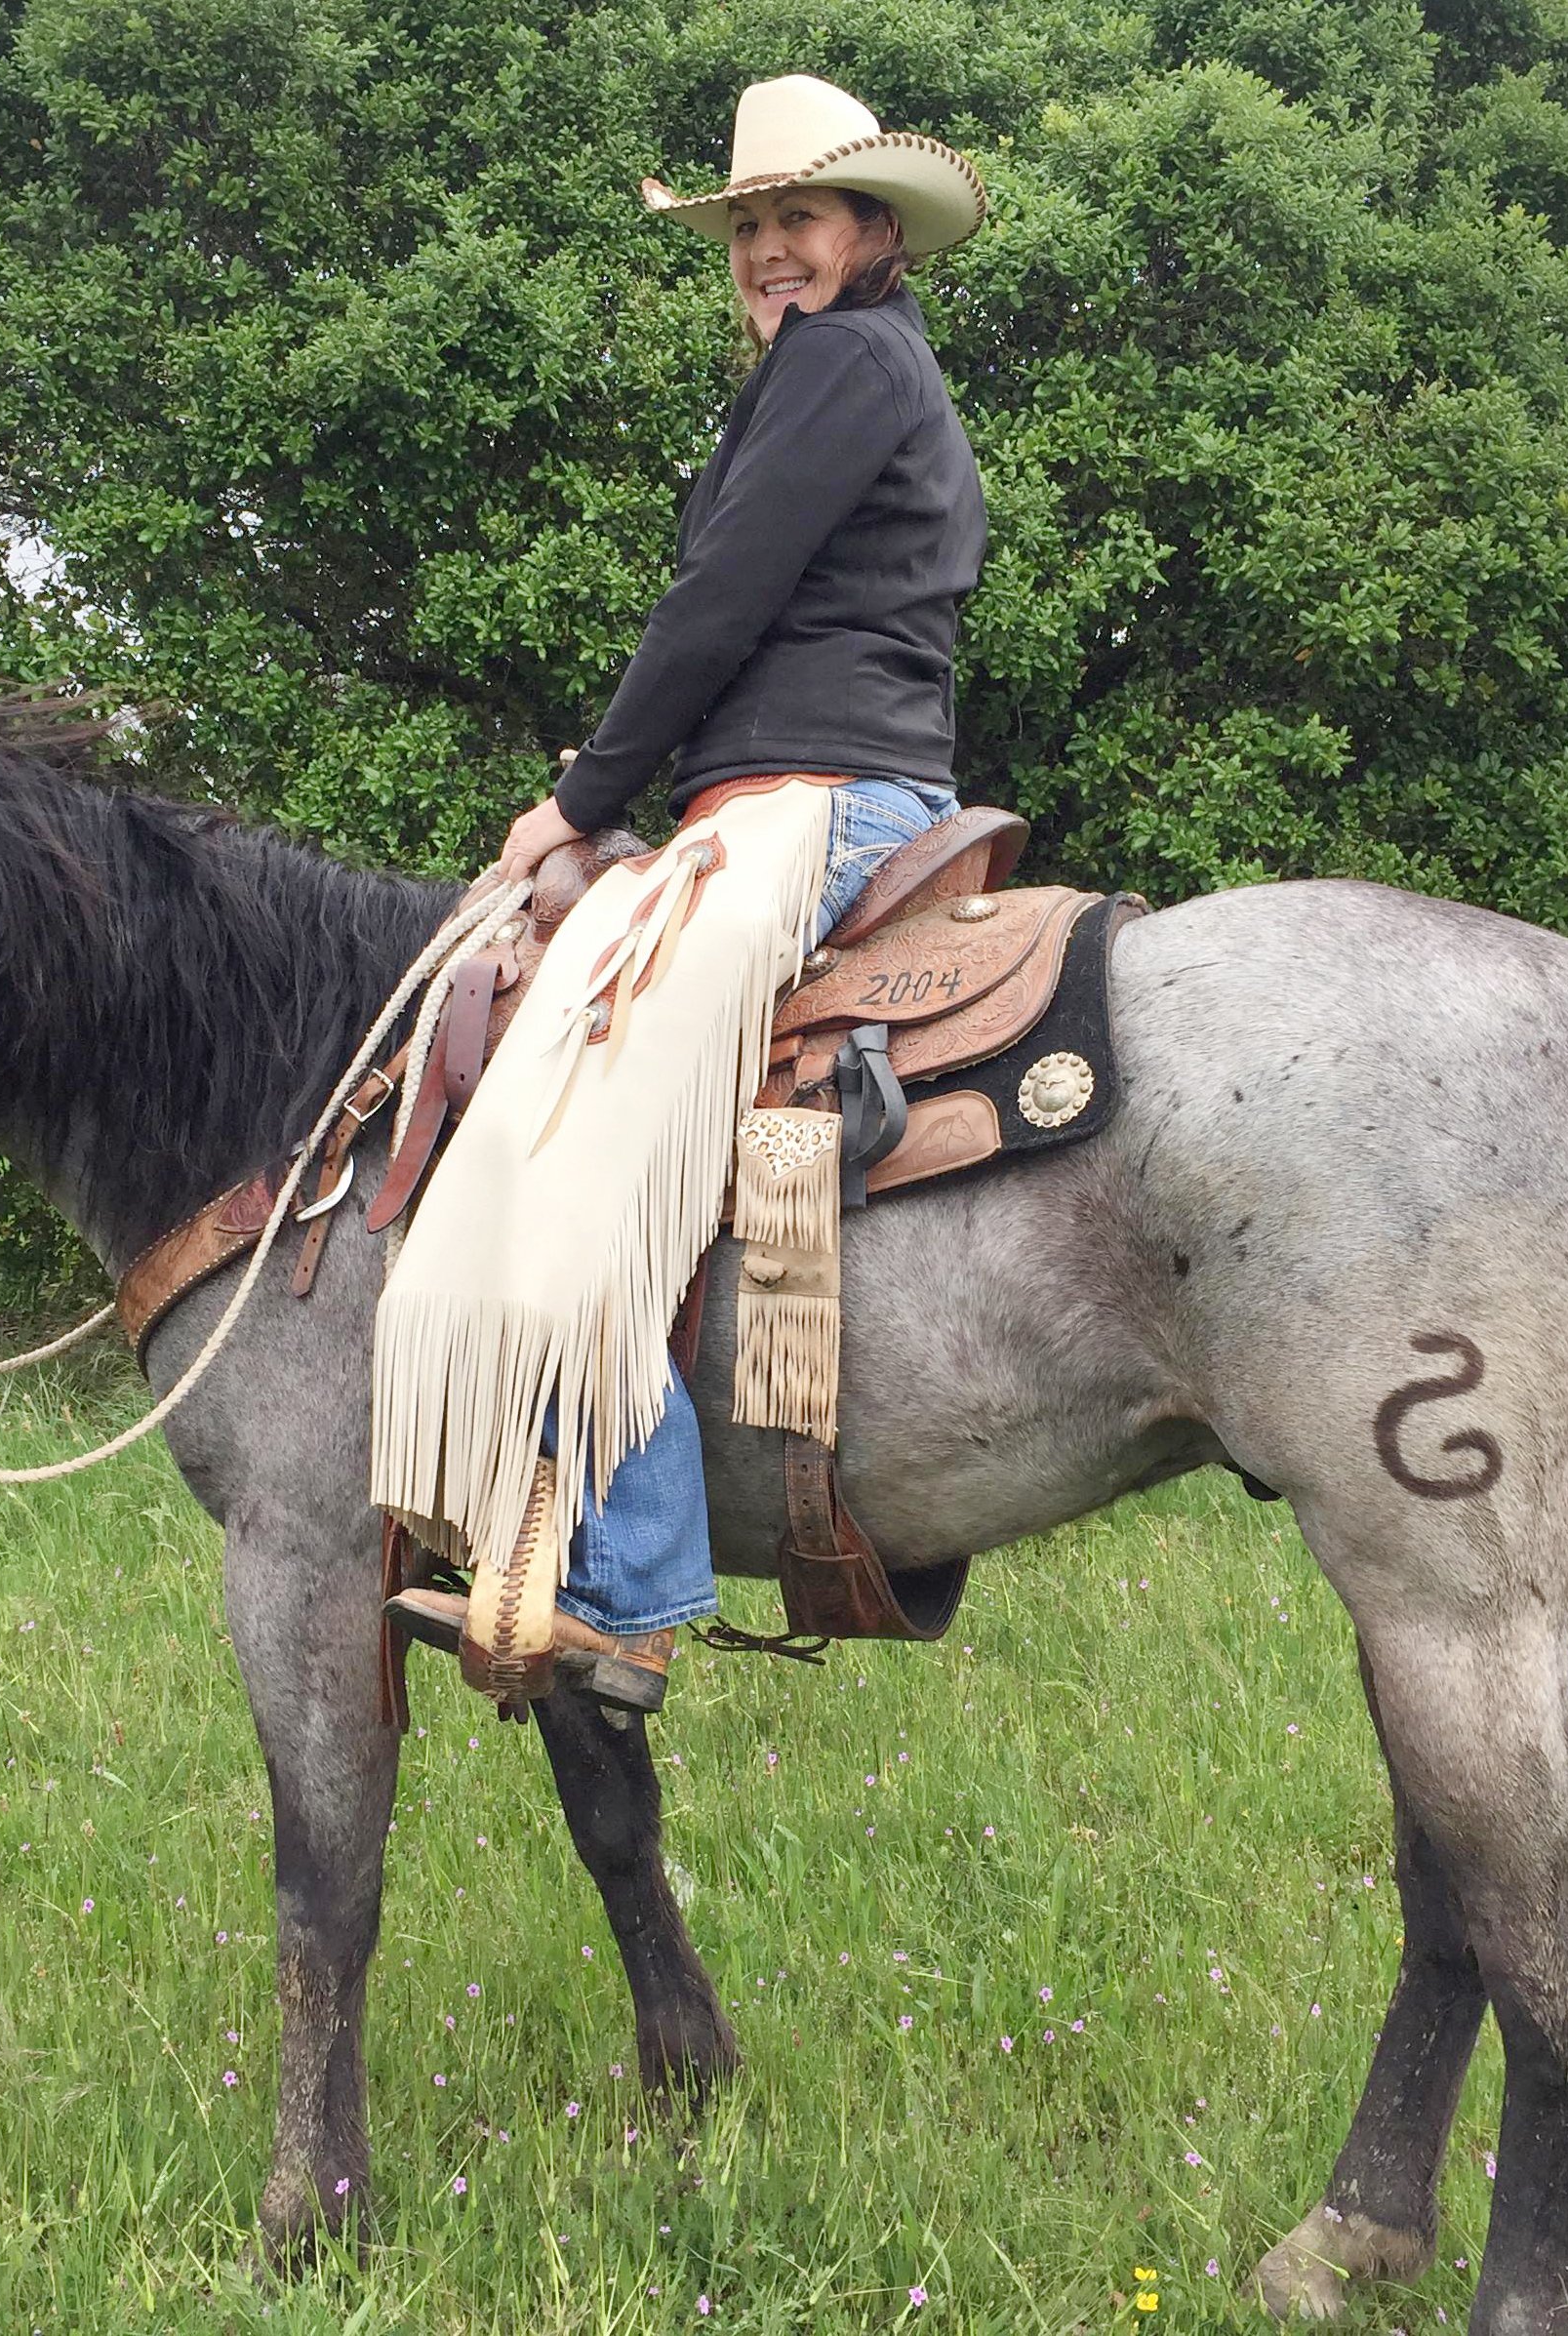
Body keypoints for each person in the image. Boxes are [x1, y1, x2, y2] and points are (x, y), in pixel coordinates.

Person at [380, 73, 989, 1711]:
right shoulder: (843, 370)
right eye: (746, 228)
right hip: (777, 792)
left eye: (797, 219)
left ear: (872, 234)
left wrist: (575, 804)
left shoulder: (846, 362)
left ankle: (630, 1586)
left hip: (811, 802)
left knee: (588, 1149)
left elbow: (718, 600)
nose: (767, 250)